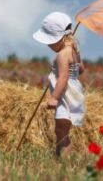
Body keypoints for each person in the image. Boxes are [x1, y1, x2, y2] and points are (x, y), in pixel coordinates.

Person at [33, 11, 85, 157]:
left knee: (61, 132)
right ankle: (59, 158)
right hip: (74, 94)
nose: (48, 45)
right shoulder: (74, 50)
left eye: (50, 42)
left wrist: (54, 97)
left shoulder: (62, 54)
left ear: (59, 38)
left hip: (64, 96)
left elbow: (63, 77)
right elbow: (81, 69)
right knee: (62, 130)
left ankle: (64, 162)